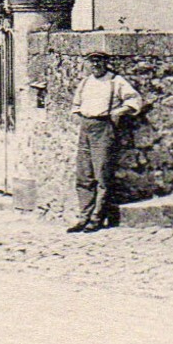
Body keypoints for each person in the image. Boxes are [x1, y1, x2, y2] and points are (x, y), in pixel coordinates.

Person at [68, 54, 145, 233]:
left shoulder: (115, 81)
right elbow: (76, 104)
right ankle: (83, 216)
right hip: (86, 128)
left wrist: (119, 112)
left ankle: (97, 217)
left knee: (101, 173)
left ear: (105, 63)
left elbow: (134, 100)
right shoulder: (86, 82)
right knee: (84, 174)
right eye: (92, 61)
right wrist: (77, 115)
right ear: (88, 64)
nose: (95, 64)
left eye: (99, 61)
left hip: (104, 127)